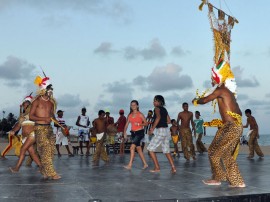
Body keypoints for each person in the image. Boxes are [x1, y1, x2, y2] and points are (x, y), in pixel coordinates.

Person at [30, 74, 61, 180]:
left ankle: (44, 169)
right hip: (39, 128)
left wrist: (58, 123)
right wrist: (43, 120)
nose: (51, 90)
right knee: (46, 149)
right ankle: (52, 173)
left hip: (49, 129)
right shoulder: (37, 101)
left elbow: (52, 115)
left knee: (51, 151)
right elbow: (31, 116)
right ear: (43, 89)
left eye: (51, 89)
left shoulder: (51, 103)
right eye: (49, 89)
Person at [9, 94, 42, 173]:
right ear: (23, 106)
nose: (26, 106)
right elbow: (18, 126)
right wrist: (13, 130)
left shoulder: (33, 114)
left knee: (23, 149)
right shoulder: (22, 117)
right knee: (32, 152)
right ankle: (42, 167)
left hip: (32, 134)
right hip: (25, 137)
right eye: (25, 105)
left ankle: (17, 168)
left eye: (28, 105)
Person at [147, 95, 176, 173]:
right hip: (166, 131)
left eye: (155, 101)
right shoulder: (164, 109)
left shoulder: (156, 108)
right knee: (166, 151)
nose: (153, 102)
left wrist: (152, 128)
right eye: (153, 101)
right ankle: (173, 168)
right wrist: (162, 122)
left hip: (160, 131)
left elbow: (158, 118)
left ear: (160, 102)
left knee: (150, 149)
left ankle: (157, 167)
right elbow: (169, 121)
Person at [123, 100, 148, 170]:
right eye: (132, 105)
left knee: (132, 147)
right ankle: (145, 164)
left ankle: (130, 165)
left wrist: (139, 124)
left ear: (137, 106)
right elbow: (126, 124)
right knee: (139, 149)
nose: (133, 106)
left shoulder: (140, 114)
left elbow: (146, 123)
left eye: (134, 105)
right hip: (133, 133)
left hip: (139, 132)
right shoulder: (130, 115)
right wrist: (124, 132)